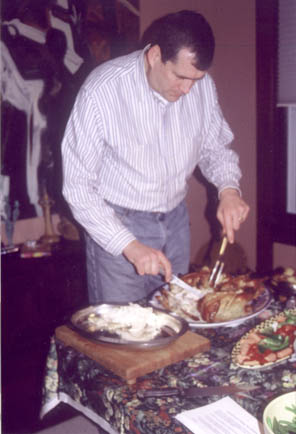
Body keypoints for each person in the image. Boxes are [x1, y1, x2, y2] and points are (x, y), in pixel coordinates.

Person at [62, 10, 250, 304]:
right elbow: (77, 187)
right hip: (118, 223)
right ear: (155, 56)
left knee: (173, 320)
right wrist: (130, 245)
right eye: (180, 77)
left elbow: (215, 148)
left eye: (196, 79)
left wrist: (228, 190)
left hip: (175, 221)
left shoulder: (202, 87)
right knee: (124, 334)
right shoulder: (103, 90)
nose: (188, 89)